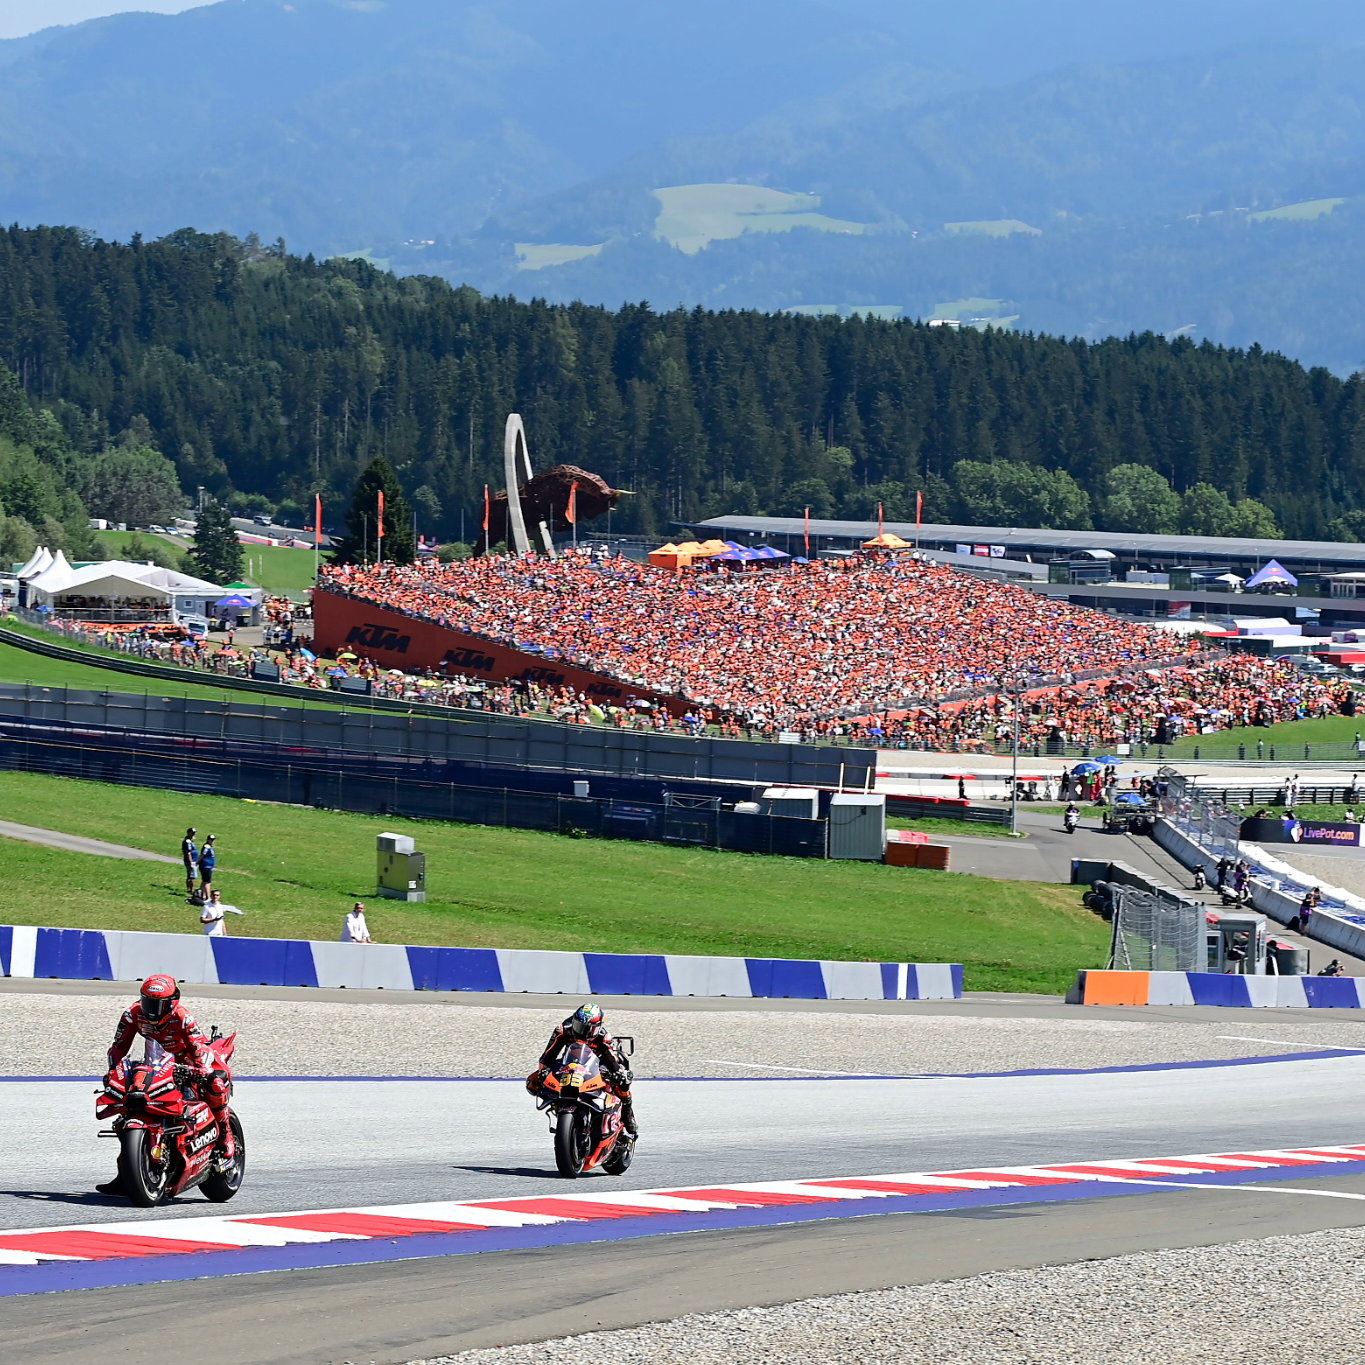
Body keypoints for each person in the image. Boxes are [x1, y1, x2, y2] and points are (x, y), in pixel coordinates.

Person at [97, 974, 233, 1194]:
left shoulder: (183, 1017)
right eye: (148, 1002)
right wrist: (114, 1072)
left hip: (185, 1060)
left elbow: (198, 1047)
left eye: (159, 1004)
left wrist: (201, 1070)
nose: (152, 1009)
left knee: (214, 1083)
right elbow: (118, 1047)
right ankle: (128, 1173)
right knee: (127, 1101)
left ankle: (226, 1136)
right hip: (155, 1062)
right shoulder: (132, 1015)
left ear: (173, 1001)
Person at [527, 1001, 637, 1138]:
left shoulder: (603, 1037)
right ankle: (560, 1107)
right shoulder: (563, 1029)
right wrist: (544, 1070)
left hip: (596, 1065)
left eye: (587, 1028)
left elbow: (610, 1059)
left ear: (597, 1027)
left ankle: (627, 1113)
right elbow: (548, 1054)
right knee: (532, 1083)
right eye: (579, 1025)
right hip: (571, 1062)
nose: (582, 1031)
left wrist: (617, 1073)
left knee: (623, 1079)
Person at [180, 826, 198, 897]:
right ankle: (191, 889)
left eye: (194, 833)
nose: (193, 834)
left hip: (193, 860)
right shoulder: (187, 841)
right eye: (192, 833)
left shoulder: (190, 840)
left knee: (190, 876)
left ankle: (189, 889)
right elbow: (188, 853)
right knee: (192, 876)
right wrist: (191, 862)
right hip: (191, 861)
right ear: (188, 833)